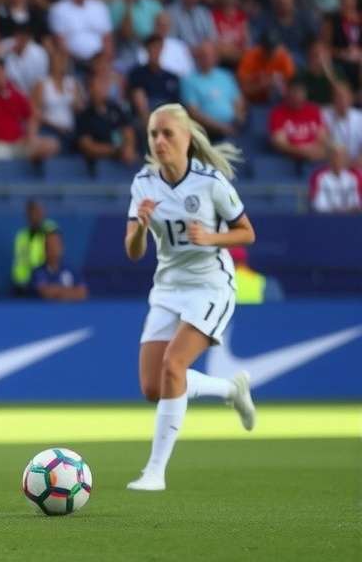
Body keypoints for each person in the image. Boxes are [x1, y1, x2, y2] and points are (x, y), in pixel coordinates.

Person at [124, 103, 257, 491]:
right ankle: (230, 389)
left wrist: (211, 237)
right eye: (153, 134)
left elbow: (247, 232)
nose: (159, 141)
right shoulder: (144, 183)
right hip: (167, 288)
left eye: (167, 133)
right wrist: (140, 228)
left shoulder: (210, 182)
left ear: (186, 137)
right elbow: (133, 251)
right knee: (153, 387)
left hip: (210, 285)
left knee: (174, 365)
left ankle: (155, 472)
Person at [11, 199, 57, 296]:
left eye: (38, 212)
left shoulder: (50, 230)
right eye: (32, 212)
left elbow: (54, 256)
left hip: (44, 282)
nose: (36, 215)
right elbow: (19, 261)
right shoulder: (21, 235)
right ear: (27, 215)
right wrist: (19, 279)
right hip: (23, 283)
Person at [30, 231, 88, 301]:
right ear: (45, 249)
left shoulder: (72, 271)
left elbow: (82, 293)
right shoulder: (38, 272)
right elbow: (45, 292)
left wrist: (59, 292)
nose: (54, 249)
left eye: (56, 245)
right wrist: (71, 291)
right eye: (50, 246)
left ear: (62, 247)